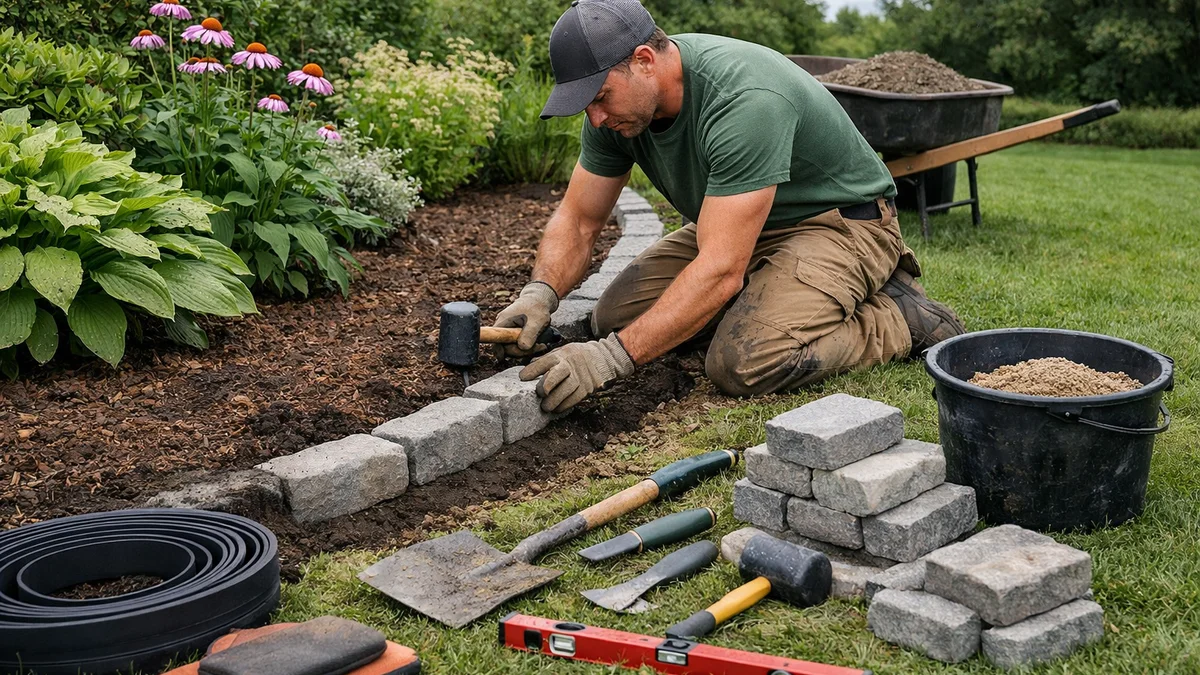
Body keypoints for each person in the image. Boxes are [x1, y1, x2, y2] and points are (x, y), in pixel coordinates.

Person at [494, 0, 965, 414]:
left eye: (599, 98)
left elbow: (720, 270)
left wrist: (610, 360)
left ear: (643, 61)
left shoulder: (742, 99)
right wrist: (541, 293)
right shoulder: (614, 112)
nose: (595, 117)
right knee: (615, 319)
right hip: (741, 225)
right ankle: (774, 295)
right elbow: (579, 220)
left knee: (744, 362)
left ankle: (900, 318)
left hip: (838, 224)